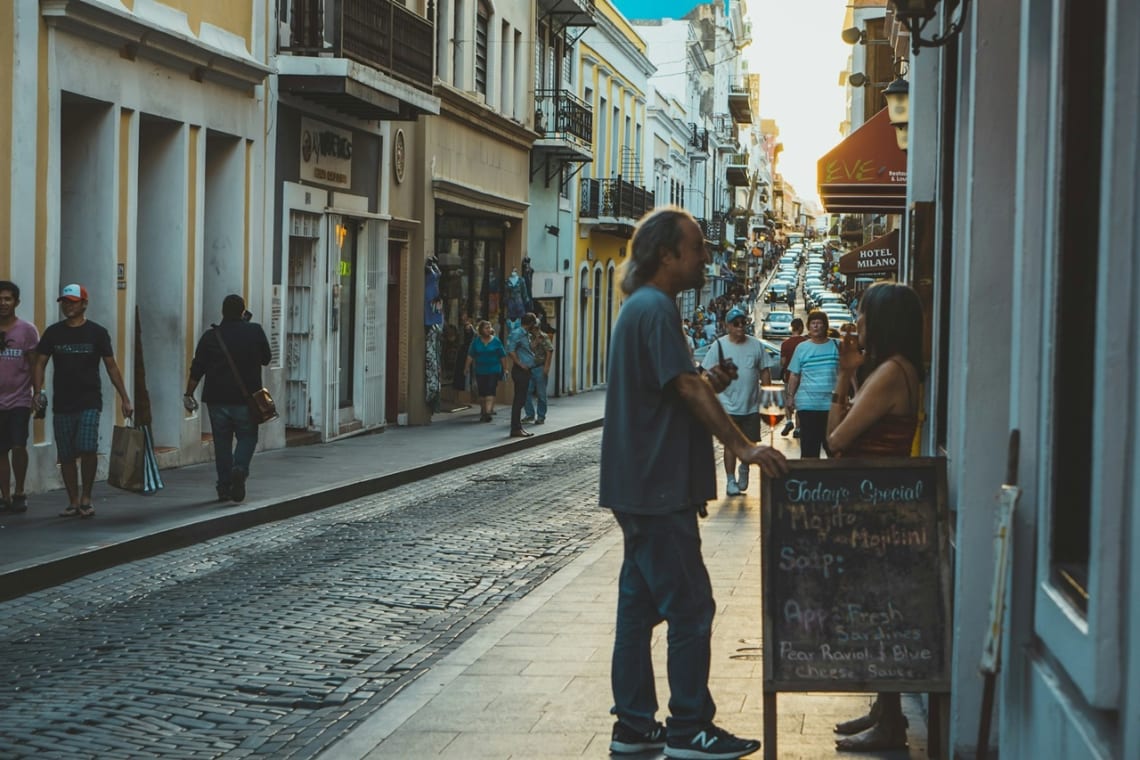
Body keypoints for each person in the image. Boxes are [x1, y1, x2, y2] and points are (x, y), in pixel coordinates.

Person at [600, 206, 787, 760]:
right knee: (691, 607)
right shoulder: (656, 308)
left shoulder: (643, 308)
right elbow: (685, 389)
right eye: (698, 246)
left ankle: (633, 727)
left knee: (636, 611)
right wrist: (744, 446)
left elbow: (678, 387)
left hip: (639, 487)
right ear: (667, 254)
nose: (706, 255)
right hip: (657, 489)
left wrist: (710, 380)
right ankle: (690, 728)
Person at [825, 282, 924, 752]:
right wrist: (847, 375)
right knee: (878, 613)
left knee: (882, 616)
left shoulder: (889, 374)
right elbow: (837, 434)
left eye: (862, 315)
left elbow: (836, 440)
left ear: (881, 322)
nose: (856, 322)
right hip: (876, 505)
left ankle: (890, 724)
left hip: (879, 512)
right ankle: (885, 711)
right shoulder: (890, 371)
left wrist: (846, 379)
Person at [33, 284, 133, 518]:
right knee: (66, 453)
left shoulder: (97, 333)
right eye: (65, 302)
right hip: (62, 403)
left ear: (84, 304)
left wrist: (125, 398)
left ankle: (86, 496)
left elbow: (111, 366)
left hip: (90, 400)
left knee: (87, 447)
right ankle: (72, 500)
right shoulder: (53, 333)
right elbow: (40, 362)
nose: (68, 306)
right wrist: (37, 391)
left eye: (73, 302)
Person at [183, 295, 272, 503]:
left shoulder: (211, 337)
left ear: (222, 312)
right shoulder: (254, 331)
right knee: (247, 437)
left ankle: (224, 487)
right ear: (243, 312)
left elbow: (197, 369)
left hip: (217, 400)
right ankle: (239, 468)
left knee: (222, 443)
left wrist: (188, 393)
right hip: (246, 399)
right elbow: (267, 359)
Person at [701, 305, 777, 496]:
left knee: (749, 443)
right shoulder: (719, 346)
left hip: (750, 406)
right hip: (727, 405)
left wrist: (767, 398)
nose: (741, 326)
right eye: (736, 324)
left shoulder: (756, 345)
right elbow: (705, 373)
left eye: (744, 322)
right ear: (728, 326)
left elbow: (765, 371)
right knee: (730, 444)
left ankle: (744, 469)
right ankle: (730, 480)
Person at [0, 281, 40, 513]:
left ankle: (20, 491)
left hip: (20, 399)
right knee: (1, 449)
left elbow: (35, 364)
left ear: (16, 302)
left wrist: (37, 392)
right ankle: (5, 495)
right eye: (0, 299)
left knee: (18, 444)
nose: (3, 303)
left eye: (7, 299)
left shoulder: (27, 330)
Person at [784, 310, 839, 458]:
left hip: (831, 405)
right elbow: (794, 375)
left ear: (825, 326)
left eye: (819, 323)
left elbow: (847, 373)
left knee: (833, 448)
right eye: (813, 323)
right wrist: (790, 397)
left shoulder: (836, 346)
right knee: (809, 448)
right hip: (807, 404)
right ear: (808, 327)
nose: (816, 326)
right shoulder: (802, 348)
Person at [463, 320, 507, 422]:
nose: (489, 329)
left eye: (489, 327)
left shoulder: (496, 341)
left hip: (494, 369)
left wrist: (505, 369)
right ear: (481, 330)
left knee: (490, 390)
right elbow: (470, 356)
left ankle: (487, 413)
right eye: (486, 328)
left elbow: (502, 356)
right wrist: (466, 368)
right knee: (482, 393)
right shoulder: (476, 342)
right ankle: (484, 410)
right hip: (480, 370)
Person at [505, 312, 540, 438]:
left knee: (521, 399)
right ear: (530, 323)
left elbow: (527, 349)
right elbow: (510, 350)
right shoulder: (517, 333)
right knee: (519, 400)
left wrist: (536, 339)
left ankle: (518, 427)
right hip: (520, 371)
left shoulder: (526, 334)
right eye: (533, 324)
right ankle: (515, 428)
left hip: (526, 370)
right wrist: (520, 364)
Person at [521, 317, 553, 425]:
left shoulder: (544, 337)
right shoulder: (528, 337)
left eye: (534, 327)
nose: (533, 329)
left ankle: (541, 416)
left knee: (541, 394)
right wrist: (535, 341)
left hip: (539, 367)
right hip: (529, 368)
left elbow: (549, 351)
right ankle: (529, 414)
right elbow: (529, 349)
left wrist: (547, 367)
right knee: (526, 392)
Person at [779, 318, 807, 437]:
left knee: (788, 399)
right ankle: (798, 428)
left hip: (788, 375)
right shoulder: (805, 342)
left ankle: (789, 421)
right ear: (801, 328)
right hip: (802, 376)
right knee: (799, 402)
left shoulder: (785, 343)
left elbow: (783, 362)